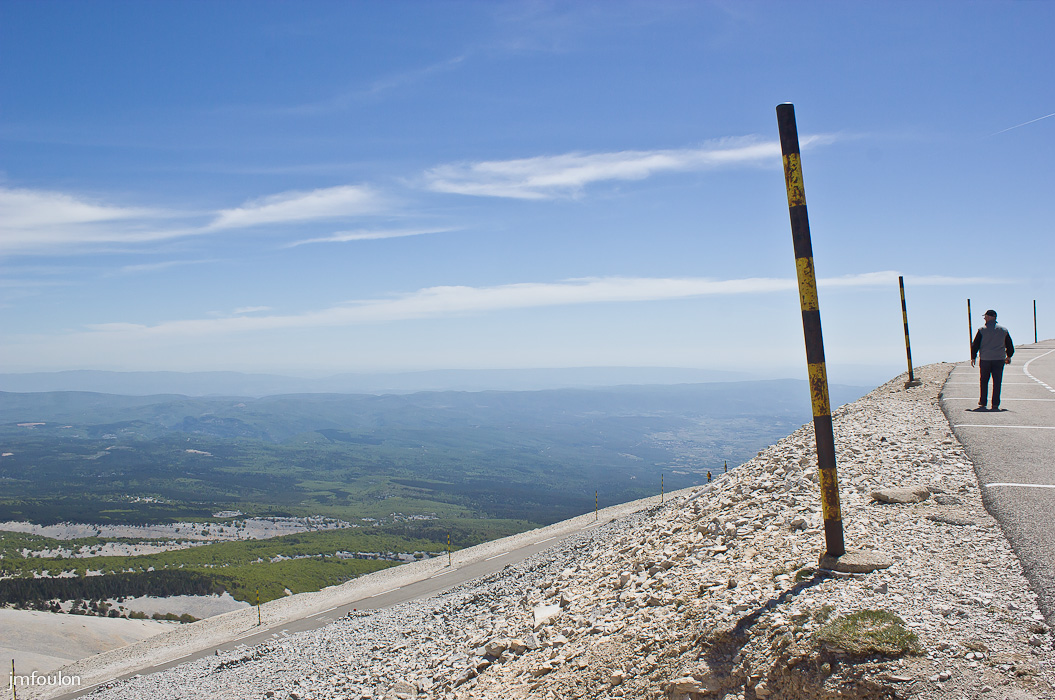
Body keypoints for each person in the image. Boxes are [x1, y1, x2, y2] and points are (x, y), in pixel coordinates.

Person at [970, 309, 1014, 411]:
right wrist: (1008, 356)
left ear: (990, 317)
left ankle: (983, 402)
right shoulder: (1004, 330)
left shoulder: (982, 330)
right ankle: (995, 404)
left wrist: (973, 356)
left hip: (985, 359)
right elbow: (1010, 346)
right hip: (999, 359)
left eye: (985, 316)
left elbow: (975, 345)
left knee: (984, 381)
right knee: (997, 382)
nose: (984, 318)